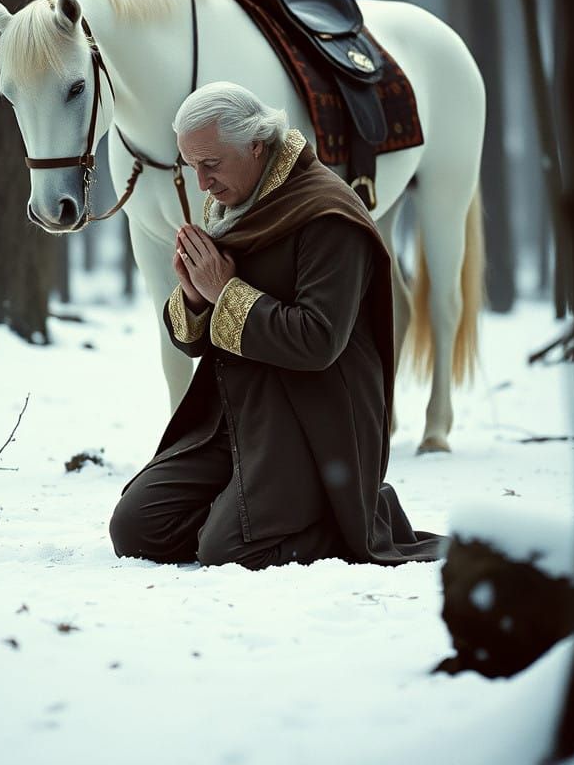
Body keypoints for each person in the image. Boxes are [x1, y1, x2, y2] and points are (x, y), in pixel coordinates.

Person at [109, 81, 445, 570]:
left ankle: (347, 512)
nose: (201, 183)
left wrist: (225, 293)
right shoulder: (230, 203)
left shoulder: (327, 214)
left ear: (256, 145)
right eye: (191, 165)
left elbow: (317, 341)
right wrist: (195, 295)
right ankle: (246, 506)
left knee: (228, 552)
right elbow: (195, 340)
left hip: (313, 424)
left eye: (211, 164)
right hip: (233, 414)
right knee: (136, 529)